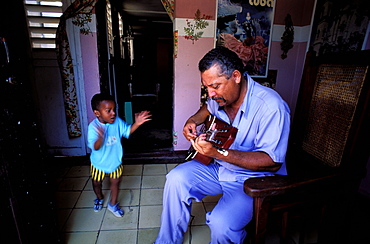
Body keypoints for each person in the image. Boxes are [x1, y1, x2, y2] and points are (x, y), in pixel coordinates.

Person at [154, 46, 290, 243]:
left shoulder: (271, 107)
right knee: (176, 178)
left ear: (235, 76)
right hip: (220, 168)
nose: (210, 94)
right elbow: (206, 109)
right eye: (206, 87)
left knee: (221, 223)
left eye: (215, 86)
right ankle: (167, 240)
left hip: (253, 180)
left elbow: (272, 162)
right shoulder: (221, 98)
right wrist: (192, 120)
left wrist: (218, 152)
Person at [87, 93, 151, 217]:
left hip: (115, 162)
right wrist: (100, 137)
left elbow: (127, 131)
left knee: (115, 182)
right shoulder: (93, 127)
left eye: (114, 109)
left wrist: (137, 123)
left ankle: (113, 204)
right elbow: (95, 147)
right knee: (96, 183)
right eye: (108, 111)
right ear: (97, 113)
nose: (113, 113)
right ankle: (99, 198)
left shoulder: (116, 122)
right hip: (98, 163)